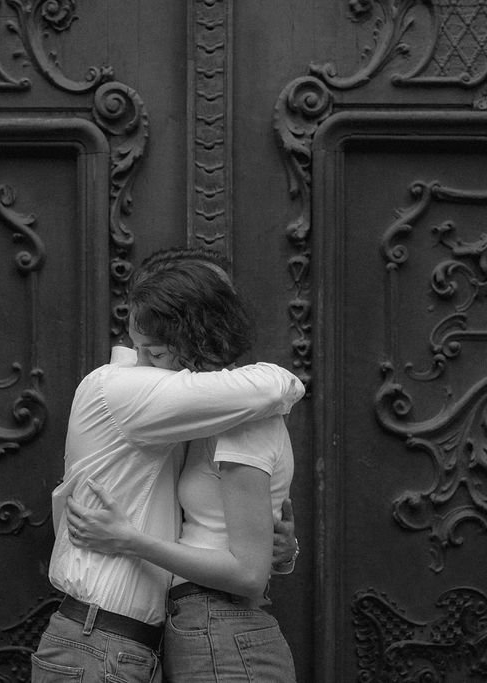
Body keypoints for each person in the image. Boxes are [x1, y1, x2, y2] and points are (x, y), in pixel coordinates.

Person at [31, 249, 304, 683]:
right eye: (137, 348)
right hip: (103, 640)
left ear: (194, 338)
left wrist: (281, 550)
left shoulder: (227, 418)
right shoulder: (122, 389)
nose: (139, 363)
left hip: (159, 642)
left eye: (153, 352)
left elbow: (244, 563)